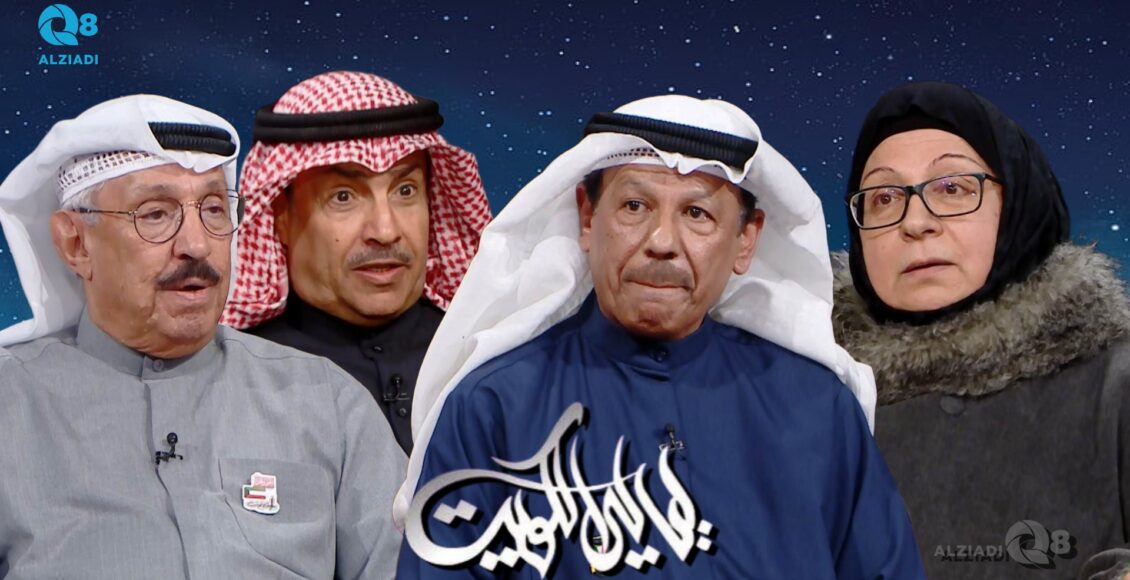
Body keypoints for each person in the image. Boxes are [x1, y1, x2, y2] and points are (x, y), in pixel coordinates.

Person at [394, 95, 925, 578]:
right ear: (587, 217)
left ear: (746, 240)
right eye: (635, 206)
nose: (662, 241)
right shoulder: (493, 408)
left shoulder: (818, 408)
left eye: (697, 213)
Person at [0, 95, 404, 579]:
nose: (196, 245)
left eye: (214, 210)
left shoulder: (326, 402)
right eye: (155, 214)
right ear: (75, 243)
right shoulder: (11, 404)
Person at [832, 81, 1130, 580]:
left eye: (952, 188)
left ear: (1016, 205)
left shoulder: (1113, 382)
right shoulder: (813, 396)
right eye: (883, 197)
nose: (916, 222)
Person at [222, 71, 492, 454]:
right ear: (280, 215)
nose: (385, 231)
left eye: (405, 190)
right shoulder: (232, 377)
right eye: (344, 197)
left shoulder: (490, 353)